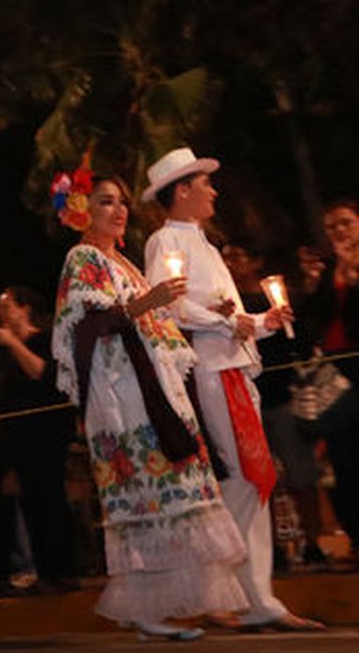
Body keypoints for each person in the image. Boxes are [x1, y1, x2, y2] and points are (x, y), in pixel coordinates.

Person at [51, 165, 245, 640]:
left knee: (168, 494)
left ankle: (157, 606)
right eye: (104, 201)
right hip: (122, 396)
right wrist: (149, 301)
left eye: (120, 202)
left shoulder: (127, 264)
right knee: (143, 496)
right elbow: (90, 325)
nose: (117, 211)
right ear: (82, 211)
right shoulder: (82, 259)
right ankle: (143, 608)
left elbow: (152, 323)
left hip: (155, 388)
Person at [143, 147, 321, 631]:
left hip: (236, 370)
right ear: (183, 190)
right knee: (244, 480)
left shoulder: (206, 245)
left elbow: (230, 318)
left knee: (252, 481)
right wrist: (232, 323)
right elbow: (172, 310)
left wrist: (265, 320)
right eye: (205, 184)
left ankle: (247, 594)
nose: (213, 191)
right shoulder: (164, 243)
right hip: (211, 374)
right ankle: (229, 591)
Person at [221, 240, 324, 569]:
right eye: (226, 258)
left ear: (256, 261)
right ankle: (272, 551)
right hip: (246, 403)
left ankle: (313, 543)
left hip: (281, 398)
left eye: (237, 254)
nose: (231, 263)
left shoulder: (274, 302)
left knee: (300, 474)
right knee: (258, 479)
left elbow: (302, 344)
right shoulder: (227, 306)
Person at [0, 286, 79, 592]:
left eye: (8, 307)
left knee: (51, 503)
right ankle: (44, 573)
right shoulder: (1, 349)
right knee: (28, 506)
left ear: (25, 308)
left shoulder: (44, 339)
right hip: (14, 441)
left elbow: (41, 373)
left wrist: (14, 343)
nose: (2, 314)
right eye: (0, 309)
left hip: (45, 436)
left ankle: (64, 571)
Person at [298, 199, 359, 550]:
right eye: (332, 226)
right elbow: (315, 319)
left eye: (345, 223)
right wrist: (313, 283)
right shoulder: (329, 267)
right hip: (335, 372)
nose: (338, 231)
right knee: (343, 461)